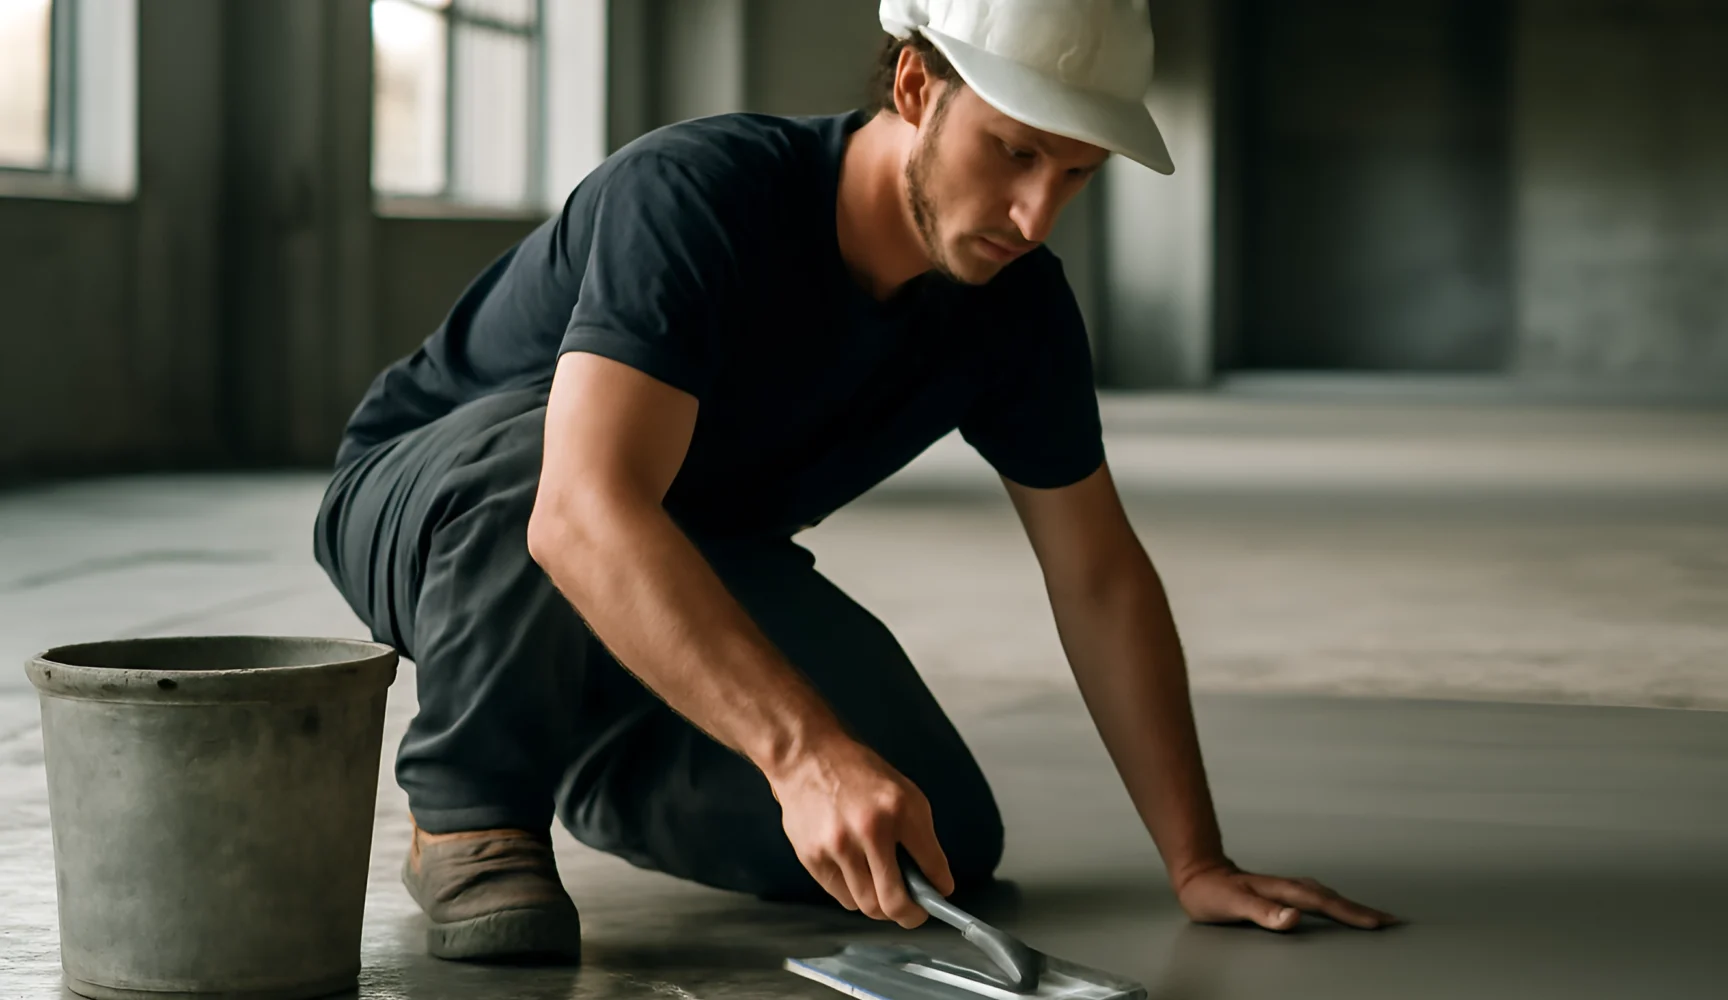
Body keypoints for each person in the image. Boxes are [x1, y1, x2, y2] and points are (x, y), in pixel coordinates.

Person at [313, 0, 1399, 963]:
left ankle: (589, 724)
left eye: (1074, 175)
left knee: (937, 841)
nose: (1036, 215)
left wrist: (1193, 856)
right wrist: (799, 754)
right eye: (1013, 153)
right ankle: (472, 810)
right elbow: (582, 510)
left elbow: (1097, 574)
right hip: (441, 499)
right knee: (555, 463)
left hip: (690, 543)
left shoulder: (1015, 309)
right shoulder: (698, 195)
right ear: (915, 84)